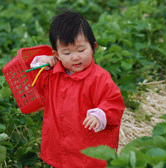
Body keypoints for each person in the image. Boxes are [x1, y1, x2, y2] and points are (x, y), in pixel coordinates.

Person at [28, 11, 125, 168]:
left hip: (88, 150)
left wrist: (101, 114)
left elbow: (114, 102)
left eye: (81, 50)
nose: (75, 57)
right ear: (56, 54)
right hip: (60, 147)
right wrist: (40, 63)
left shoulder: (99, 78)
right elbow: (36, 86)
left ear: (93, 47)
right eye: (67, 52)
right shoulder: (52, 74)